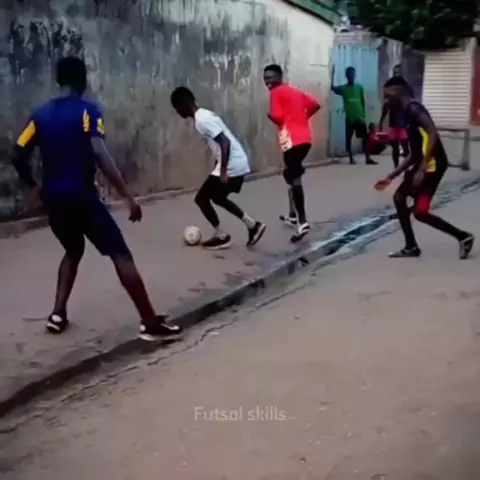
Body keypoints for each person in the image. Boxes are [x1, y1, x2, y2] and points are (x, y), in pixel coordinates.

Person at [11, 56, 182, 341]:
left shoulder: (39, 115)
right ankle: (150, 323)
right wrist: (128, 197)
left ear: (58, 80)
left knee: (73, 249)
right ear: (84, 80)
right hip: (82, 198)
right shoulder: (89, 111)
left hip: (54, 200)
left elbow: (17, 155)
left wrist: (34, 186)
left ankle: (57, 314)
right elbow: (100, 152)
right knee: (120, 254)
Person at [375, 76, 474, 259]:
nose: (386, 101)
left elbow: (432, 132)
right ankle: (411, 247)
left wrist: (423, 167)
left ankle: (463, 237)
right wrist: (391, 176)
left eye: (388, 96)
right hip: (425, 165)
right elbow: (414, 153)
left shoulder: (414, 108)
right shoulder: (405, 113)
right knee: (400, 198)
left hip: (433, 166)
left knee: (420, 211)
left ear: (398, 91)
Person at [170, 87, 266, 250]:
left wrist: (223, 171)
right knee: (218, 198)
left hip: (232, 164)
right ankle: (253, 225)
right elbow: (219, 143)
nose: (178, 112)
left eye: (177, 107)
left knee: (201, 198)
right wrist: (219, 165)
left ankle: (221, 236)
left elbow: (225, 143)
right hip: (236, 162)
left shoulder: (202, 119)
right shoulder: (203, 116)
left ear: (184, 103)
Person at [263, 64, 321, 243]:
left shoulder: (276, 93)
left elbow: (277, 116)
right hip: (305, 140)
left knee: (295, 178)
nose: (267, 82)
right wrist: (301, 118)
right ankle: (293, 215)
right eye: (265, 78)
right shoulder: (295, 92)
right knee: (289, 173)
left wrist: (271, 116)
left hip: (291, 140)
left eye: (270, 77)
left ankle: (302, 221)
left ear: (279, 77)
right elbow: (315, 105)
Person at [331, 66, 377, 165]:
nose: (351, 76)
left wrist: (364, 116)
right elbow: (333, 88)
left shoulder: (359, 87)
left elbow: (363, 102)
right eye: (349, 74)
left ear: (354, 75)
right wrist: (332, 75)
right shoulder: (343, 88)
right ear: (346, 76)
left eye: (353, 74)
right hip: (350, 118)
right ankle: (351, 158)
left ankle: (368, 158)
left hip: (360, 117)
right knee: (348, 138)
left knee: (365, 138)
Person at [379, 64, 412, 167]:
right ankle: (396, 167)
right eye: (395, 72)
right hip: (394, 122)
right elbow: (386, 104)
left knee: (406, 148)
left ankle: (405, 167)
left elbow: (411, 103)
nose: (397, 74)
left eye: (399, 72)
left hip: (404, 122)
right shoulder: (389, 84)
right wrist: (381, 120)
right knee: (395, 147)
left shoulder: (406, 86)